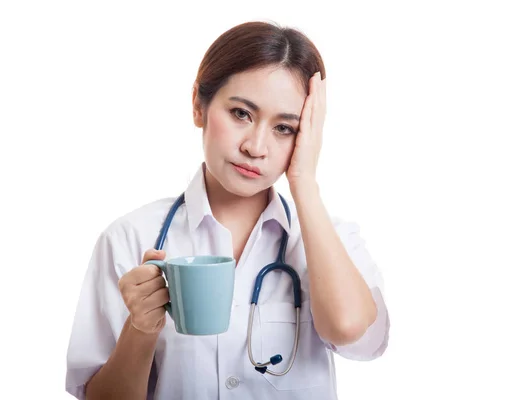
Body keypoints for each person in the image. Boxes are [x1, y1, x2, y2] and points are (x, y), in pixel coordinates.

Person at [65, 20, 390, 400]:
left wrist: (304, 182)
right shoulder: (129, 238)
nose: (255, 146)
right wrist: (141, 328)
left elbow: (351, 330)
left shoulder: (328, 240)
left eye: (284, 128)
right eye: (241, 114)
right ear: (198, 106)